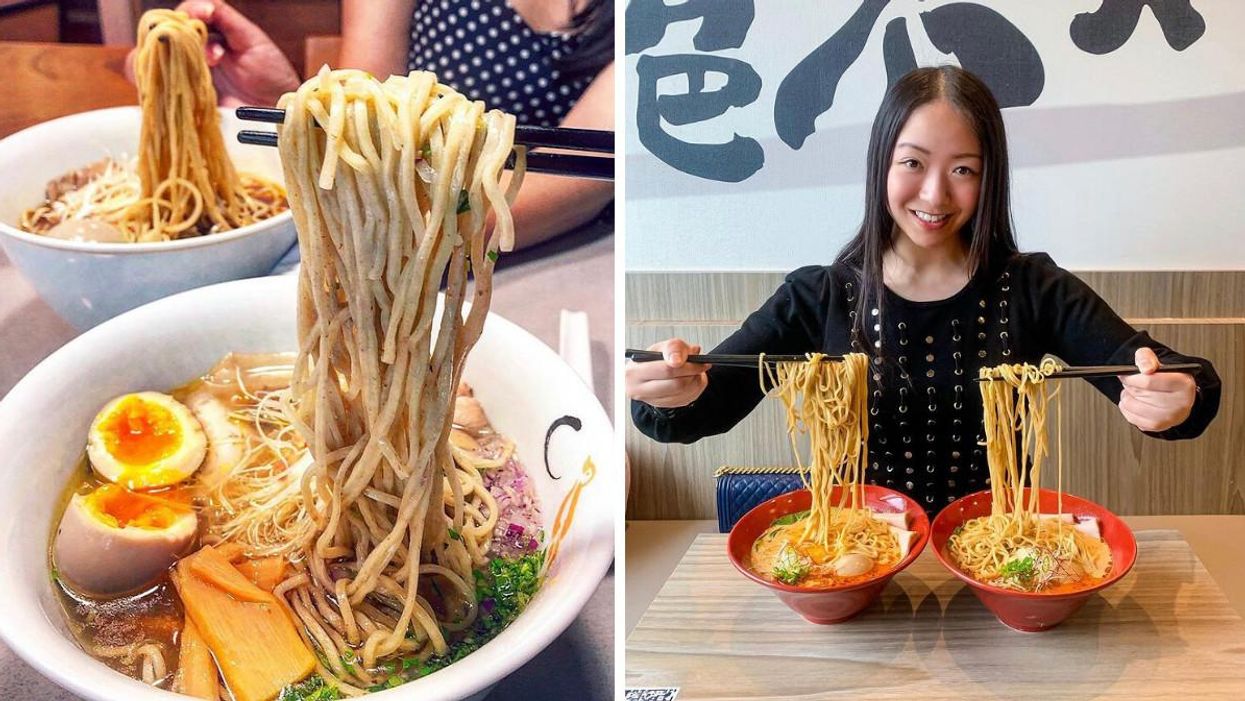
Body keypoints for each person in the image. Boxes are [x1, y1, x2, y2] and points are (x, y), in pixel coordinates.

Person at [627, 66, 1221, 517]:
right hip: (861, 549)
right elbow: (693, 413)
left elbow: (1172, 372)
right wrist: (666, 389)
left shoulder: (1033, 288)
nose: (935, 195)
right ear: (881, 162)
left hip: (995, 546)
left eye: (963, 169)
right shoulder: (821, 295)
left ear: (989, 179)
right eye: (913, 162)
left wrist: (1178, 395)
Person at [126, 0, 613, 249]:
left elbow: (560, 187)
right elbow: (359, 125)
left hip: (557, 260)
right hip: (389, 245)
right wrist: (296, 112)